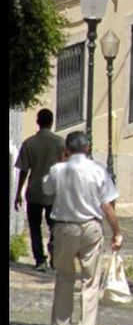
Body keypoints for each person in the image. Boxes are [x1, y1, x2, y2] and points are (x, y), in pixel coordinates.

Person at [42, 131, 123, 325]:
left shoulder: (58, 170)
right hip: (91, 228)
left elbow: (47, 189)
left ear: (66, 150)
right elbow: (107, 205)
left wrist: (61, 162)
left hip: (64, 228)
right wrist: (117, 232)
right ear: (87, 148)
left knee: (64, 277)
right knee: (90, 280)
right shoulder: (98, 171)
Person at [13, 108, 66, 270]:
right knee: (55, 226)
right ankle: (54, 251)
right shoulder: (60, 143)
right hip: (54, 193)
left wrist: (18, 194)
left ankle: (40, 260)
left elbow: (23, 170)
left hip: (34, 192)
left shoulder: (29, 143)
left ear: (37, 122)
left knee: (35, 228)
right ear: (52, 122)